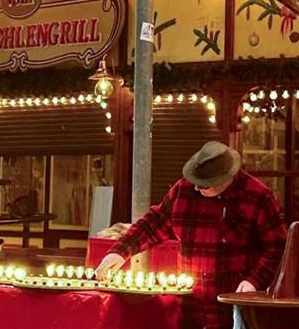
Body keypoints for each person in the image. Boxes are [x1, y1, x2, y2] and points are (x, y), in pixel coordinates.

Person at [95, 141, 287, 329]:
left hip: (235, 310)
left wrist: (253, 281)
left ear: (226, 178)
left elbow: (277, 247)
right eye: (195, 181)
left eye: (204, 185)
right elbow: (154, 223)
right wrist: (120, 251)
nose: (196, 188)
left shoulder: (257, 196)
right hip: (190, 310)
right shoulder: (182, 190)